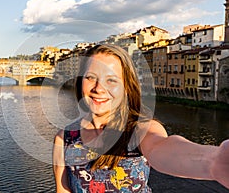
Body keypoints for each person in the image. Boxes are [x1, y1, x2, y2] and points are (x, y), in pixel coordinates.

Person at [52, 44, 229, 192]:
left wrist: (213, 161)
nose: (98, 88)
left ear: (127, 88)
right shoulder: (65, 138)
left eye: (111, 80)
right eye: (91, 77)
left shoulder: (139, 129)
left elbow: (161, 148)